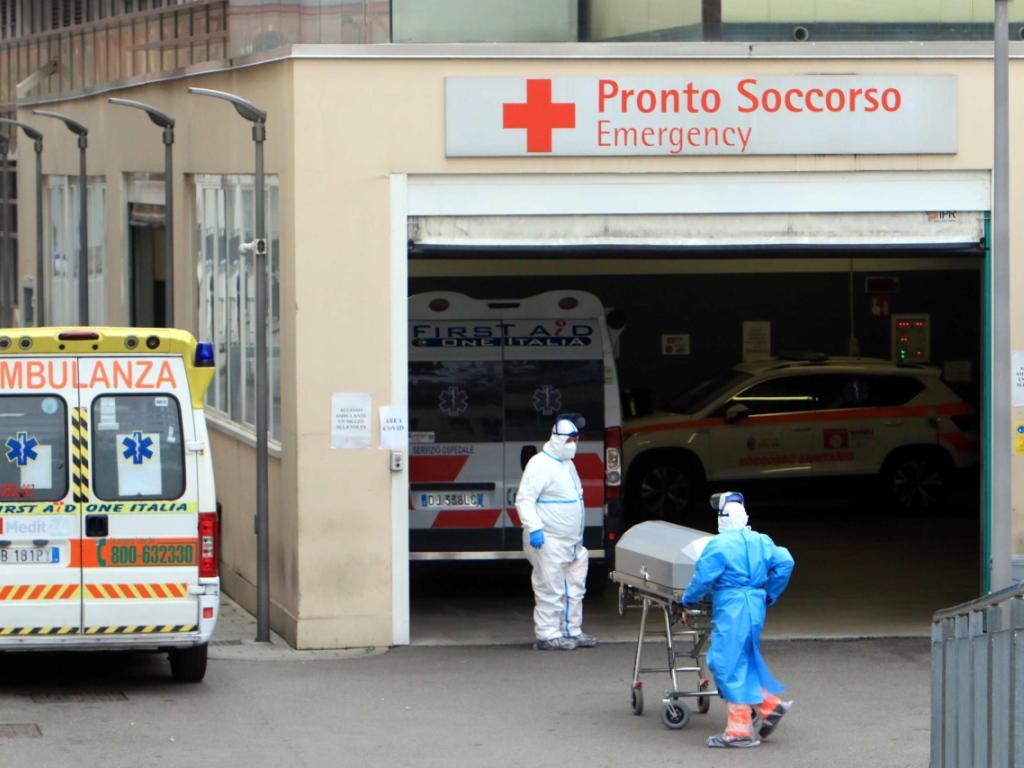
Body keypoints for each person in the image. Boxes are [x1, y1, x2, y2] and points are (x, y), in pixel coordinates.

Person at [681, 492, 795, 748]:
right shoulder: (761, 540)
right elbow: (786, 562)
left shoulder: (719, 545)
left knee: (725, 662)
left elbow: (702, 579)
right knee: (743, 659)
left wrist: (687, 600)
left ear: (721, 519)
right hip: (755, 605)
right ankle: (769, 707)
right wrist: (769, 593)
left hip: (732, 606)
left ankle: (739, 730)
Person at [516, 415, 597, 651]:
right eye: (570, 439)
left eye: (576, 439)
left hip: (571, 541)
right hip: (548, 539)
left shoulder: (567, 464)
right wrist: (534, 528)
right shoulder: (540, 464)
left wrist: (577, 533)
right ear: (558, 439)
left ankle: (571, 630)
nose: (574, 444)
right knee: (549, 588)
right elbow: (525, 499)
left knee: (574, 587)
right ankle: (548, 634)